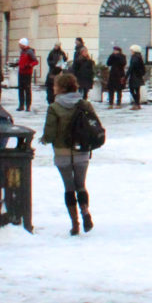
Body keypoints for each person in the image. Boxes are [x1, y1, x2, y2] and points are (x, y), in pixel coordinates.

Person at [40, 72, 99, 236]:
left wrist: (44, 139)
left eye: (55, 85)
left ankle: (75, 224)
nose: (53, 88)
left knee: (68, 187)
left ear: (61, 88)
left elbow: (50, 133)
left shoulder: (54, 107)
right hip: (82, 151)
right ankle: (85, 211)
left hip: (62, 152)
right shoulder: (84, 104)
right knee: (81, 184)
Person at [15, 38, 39, 112]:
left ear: (23, 45)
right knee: (21, 89)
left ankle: (28, 106)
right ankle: (21, 105)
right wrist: (16, 64)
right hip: (21, 72)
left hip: (27, 73)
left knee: (27, 89)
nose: (19, 45)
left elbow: (35, 61)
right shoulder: (22, 52)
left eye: (20, 44)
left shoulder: (30, 52)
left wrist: (29, 65)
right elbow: (21, 61)